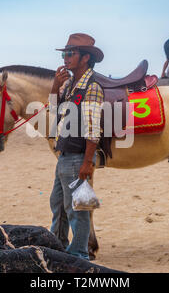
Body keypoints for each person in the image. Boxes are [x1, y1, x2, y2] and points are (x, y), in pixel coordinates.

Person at [48, 33, 104, 260]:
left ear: (85, 58)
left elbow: (93, 130)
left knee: (77, 209)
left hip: (77, 156)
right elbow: (53, 110)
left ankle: (79, 254)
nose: (65, 57)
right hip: (65, 155)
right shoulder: (70, 84)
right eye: (65, 53)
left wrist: (87, 163)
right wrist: (55, 85)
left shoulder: (91, 87)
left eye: (70, 53)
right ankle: (58, 246)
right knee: (58, 204)